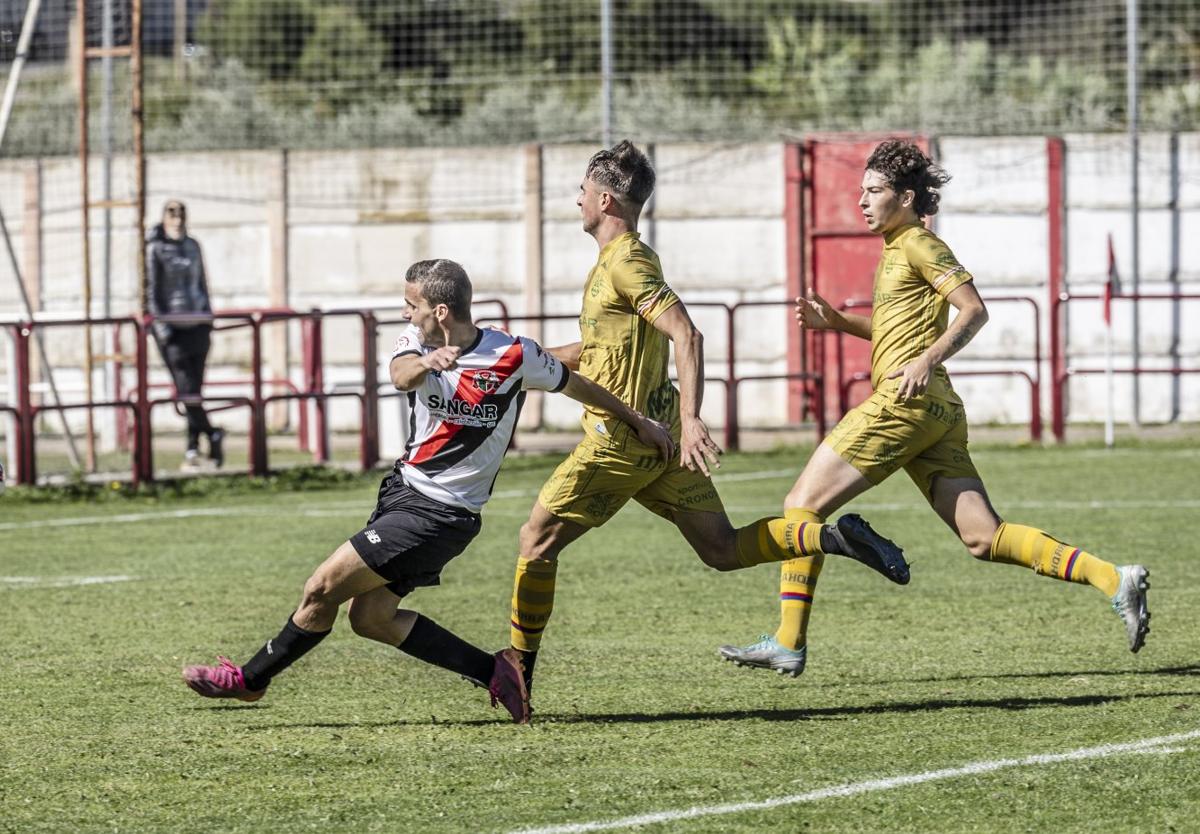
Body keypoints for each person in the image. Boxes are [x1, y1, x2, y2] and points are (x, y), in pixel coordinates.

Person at [719, 139, 1151, 675]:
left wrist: (926, 359)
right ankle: (1114, 578)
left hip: (904, 404)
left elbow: (973, 311)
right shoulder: (896, 249)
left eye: (874, 191)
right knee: (983, 537)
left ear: (904, 197)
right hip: (937, 412)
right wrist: (839, 323)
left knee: (801, 507)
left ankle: (789, 639)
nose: (862, 201)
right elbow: (892, 331)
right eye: (861, 191)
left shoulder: (920, 245)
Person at [182, 259, 678, 723]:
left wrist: (640, 423)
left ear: (440, 310)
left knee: (321, 588)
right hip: (401, 493)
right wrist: (427, 363)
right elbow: (399, 375)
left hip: (442, 515)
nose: (406, 312)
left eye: (413, 305)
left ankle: (250, 679)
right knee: (372, 618)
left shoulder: (513, 354)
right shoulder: (414, 341)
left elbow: (576, 384)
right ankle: (495, 671)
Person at [506, 140, 912, 702]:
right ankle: (834, 537)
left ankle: (517, 675)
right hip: (660, 440)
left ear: (604, 198)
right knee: (721, 549)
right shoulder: (616, 263)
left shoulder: (626, 260)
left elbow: (686, 333)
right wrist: (522, 362)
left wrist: (694, 418)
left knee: (535, 540)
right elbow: (601, 347)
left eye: (581, 191)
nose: (576, 200)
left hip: (622, 441)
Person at [146, 199, 224, 470]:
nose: (177, 218)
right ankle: (212, 434)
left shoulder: (193, 246)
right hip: (173, 330)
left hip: (198, 325)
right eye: (171, 213)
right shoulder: (155, 249)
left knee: (195, 392)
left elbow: (203, 284)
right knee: (185, 390)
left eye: (181, 213)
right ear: (163, 217)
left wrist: (208, 318)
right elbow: (152, 291)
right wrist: (162, 328)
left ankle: (193, 449)